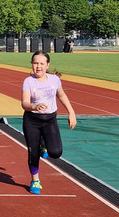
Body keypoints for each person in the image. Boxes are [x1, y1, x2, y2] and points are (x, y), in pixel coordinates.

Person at [20, 50, 77, 194]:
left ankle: (43, 144)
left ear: (47, 65)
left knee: (56, 153)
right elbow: (24, 103)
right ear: (32, 65)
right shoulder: (28, 81)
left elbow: (62, 95)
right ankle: (35, 180)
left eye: (41, 63)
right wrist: (35, 106)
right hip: (32, 120)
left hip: (50, 120)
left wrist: (71, 112)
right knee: (33, 153)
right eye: (35, 63)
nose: (38, 66)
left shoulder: (54, 80)